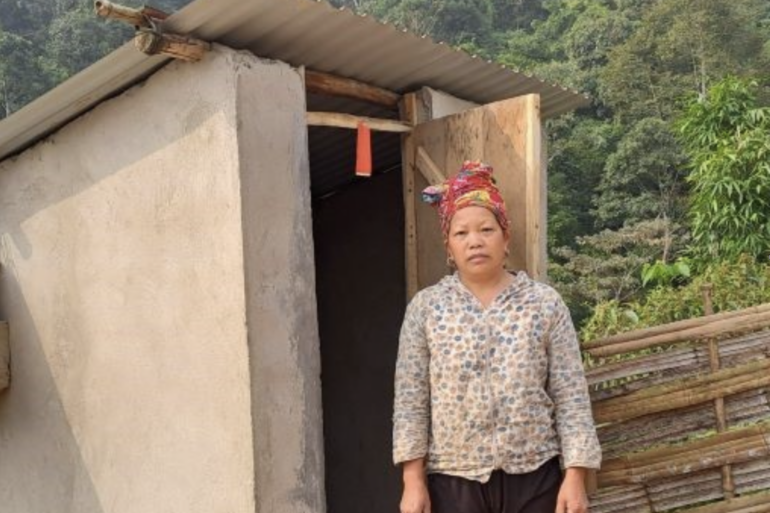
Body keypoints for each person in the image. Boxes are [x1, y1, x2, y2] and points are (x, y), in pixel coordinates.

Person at [392, 161, 601, 513]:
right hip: (454, 481)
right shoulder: (426, 309)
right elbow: (411, 400)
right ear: (449, 246)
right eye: (461, 234)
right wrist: (413, 482)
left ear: (506, 237)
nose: (474, 241)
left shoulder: (543, 303)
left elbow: (570, 394)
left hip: (536, 476)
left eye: (486, 229)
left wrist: (576, 475)